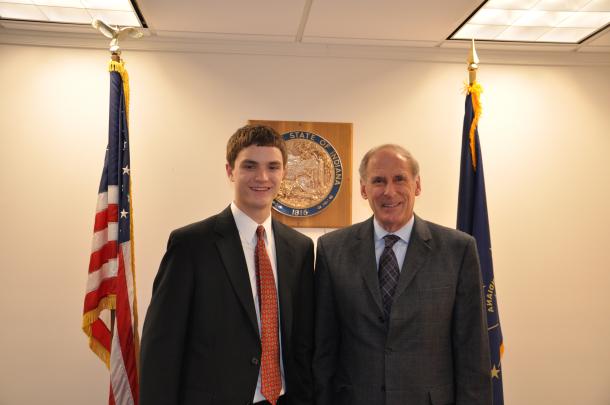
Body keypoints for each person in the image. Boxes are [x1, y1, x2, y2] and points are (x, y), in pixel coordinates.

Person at [140, 125, 314, 405]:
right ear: (230, 171)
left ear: (283, 173)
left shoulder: (301, 248)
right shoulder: (191, 244)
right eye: (249, 166)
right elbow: (161, 347)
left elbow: (303, 343)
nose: (262, 177)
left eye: (273, 166)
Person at [313, 144, 492, 405]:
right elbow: (324, 350)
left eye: (399, 179)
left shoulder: (458, 250)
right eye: (378, 181)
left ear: (417, 185)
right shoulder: (332, 249)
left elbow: (472, 351)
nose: (389, 191)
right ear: (364, 189)